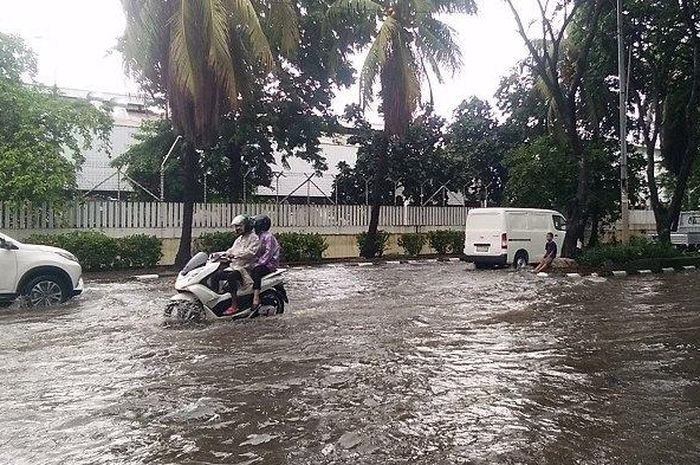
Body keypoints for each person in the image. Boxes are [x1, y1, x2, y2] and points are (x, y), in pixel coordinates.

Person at [216, 214, 260, 315]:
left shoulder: (254, 238)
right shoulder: (239, 239)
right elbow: (231, 250)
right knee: (217, 275)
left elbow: (251, 253)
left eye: (239, 226)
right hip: (235, 266)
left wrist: (235, 255)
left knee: (231, 277)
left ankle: (234, 305)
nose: (237, 228)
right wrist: (220, 254)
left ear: (247, 225)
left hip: (245, 268)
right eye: (236, 226)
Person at [251, 214, 281, 308]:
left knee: (256, 272)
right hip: (259, 262)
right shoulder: (257, 236)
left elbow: (268, 254)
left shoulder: (268, 237)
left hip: (269, 264)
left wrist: (257, 263)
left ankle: (256, 298)